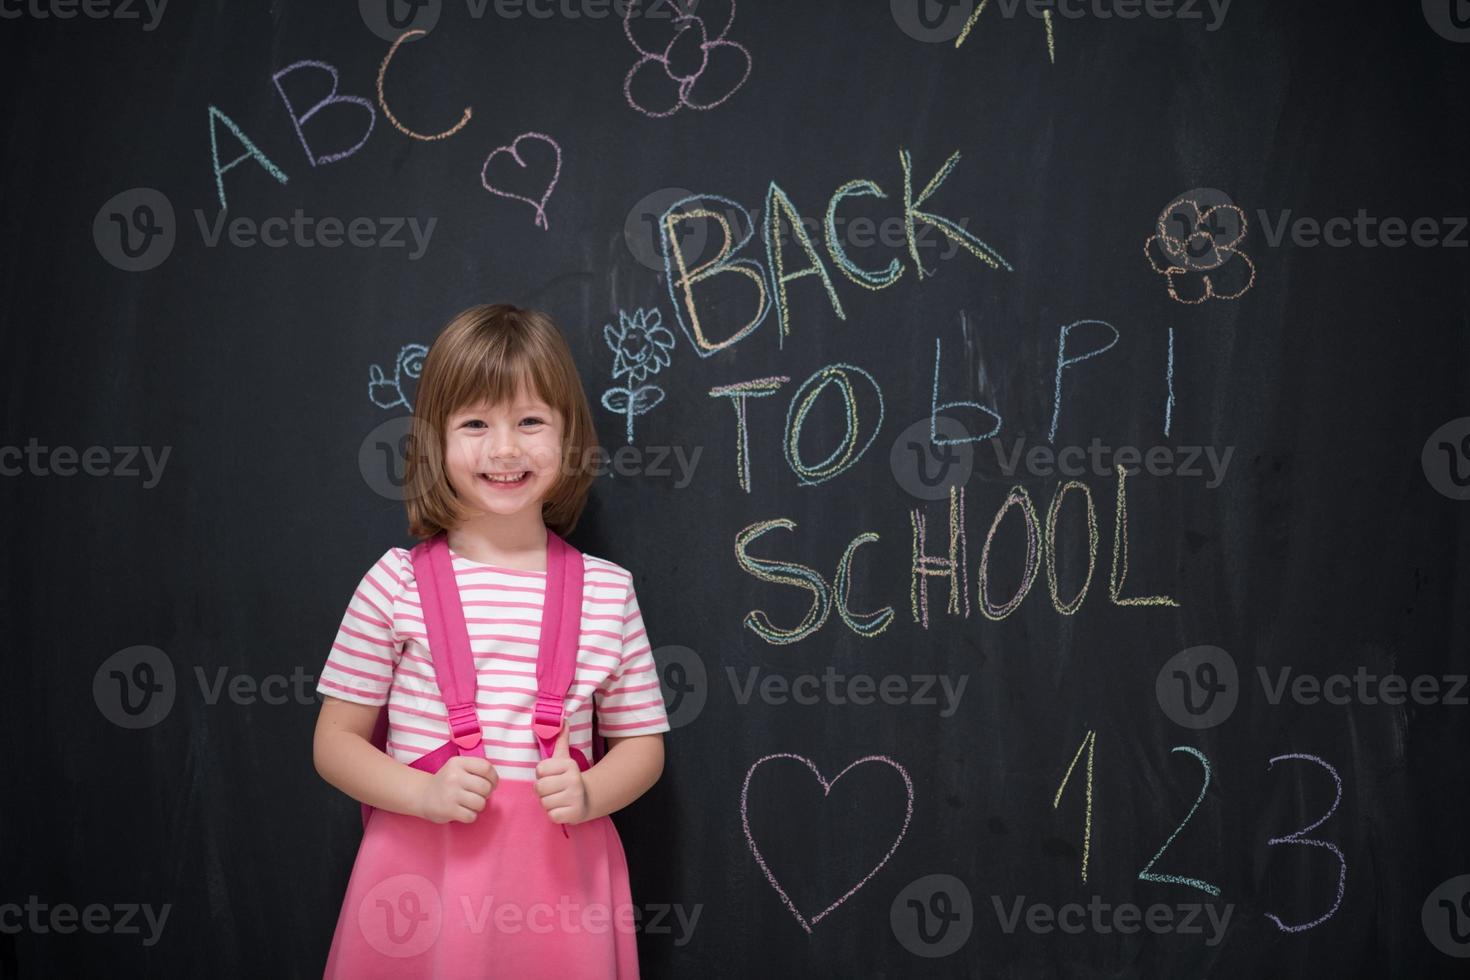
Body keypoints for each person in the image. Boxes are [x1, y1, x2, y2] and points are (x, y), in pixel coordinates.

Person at [313, 304, 670, 978]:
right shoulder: (394, 585)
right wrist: (422, 795)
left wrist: (591, 794)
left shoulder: (608, 591)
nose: (504, 449)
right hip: (421, 888)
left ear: (568, 436)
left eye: (530, 421)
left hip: (562, 892)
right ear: (433, 443)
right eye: (475, 424)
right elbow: (334, 744)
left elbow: (643, 747)